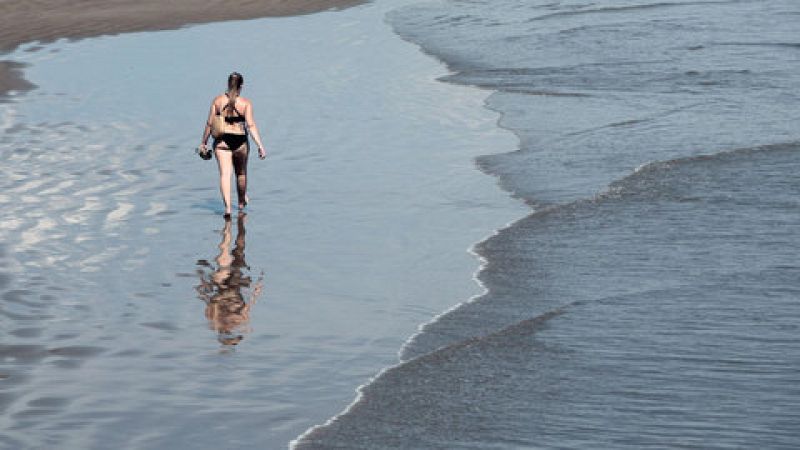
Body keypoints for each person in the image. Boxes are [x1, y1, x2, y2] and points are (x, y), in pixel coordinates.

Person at [200, 72, 267, 218]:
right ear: (241, 86)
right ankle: (241, 204)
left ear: (228, 84)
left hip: (222, 141)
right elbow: (251, 125)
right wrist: (260, 145)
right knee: (241, 174)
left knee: (225, 175)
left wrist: (203, 142)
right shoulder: (245, 103)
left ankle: (228, 209)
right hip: (240, 141)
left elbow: (209, 123)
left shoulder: (217, 101)